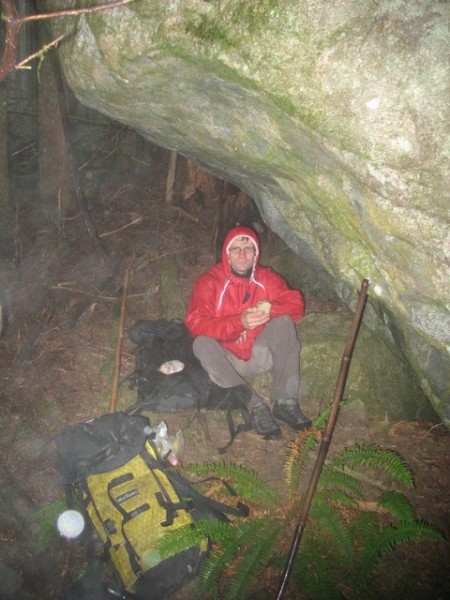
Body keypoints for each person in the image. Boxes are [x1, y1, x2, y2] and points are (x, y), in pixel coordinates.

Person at [185, 225, 311, 438]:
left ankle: (285, 402)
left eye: (248, 249)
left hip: (260, 353)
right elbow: (195, 323)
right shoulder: (209, 282)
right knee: (201, 343)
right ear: (227, 253)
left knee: (283, 322)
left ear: (256, 253)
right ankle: (253, 405)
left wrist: (268, 310)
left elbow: (296, 305)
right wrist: (239, 322)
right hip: (228, 360)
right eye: (236, 249)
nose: (242, 254)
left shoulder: (266, 278)